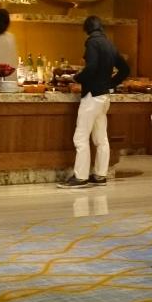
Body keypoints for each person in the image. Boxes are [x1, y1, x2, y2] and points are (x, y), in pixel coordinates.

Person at [58, 15, 131, 189]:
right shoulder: (109, 44)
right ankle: (100, 175)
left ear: (87, 29)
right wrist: (111, 83)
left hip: (91, 97)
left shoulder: (92, 42)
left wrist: (75, 78)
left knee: (80, 137)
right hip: (104, 97)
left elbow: (91, 67)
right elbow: (125, 69)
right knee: (101, 138)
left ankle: (81, 177)